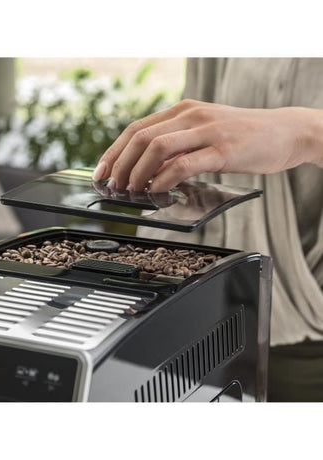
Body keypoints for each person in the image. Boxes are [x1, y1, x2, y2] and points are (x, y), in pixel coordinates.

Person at [93, 58, 323, 402]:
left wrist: (306, 132)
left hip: (308, 332)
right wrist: (151, 272)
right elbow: (191, 165)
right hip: (239, 313)